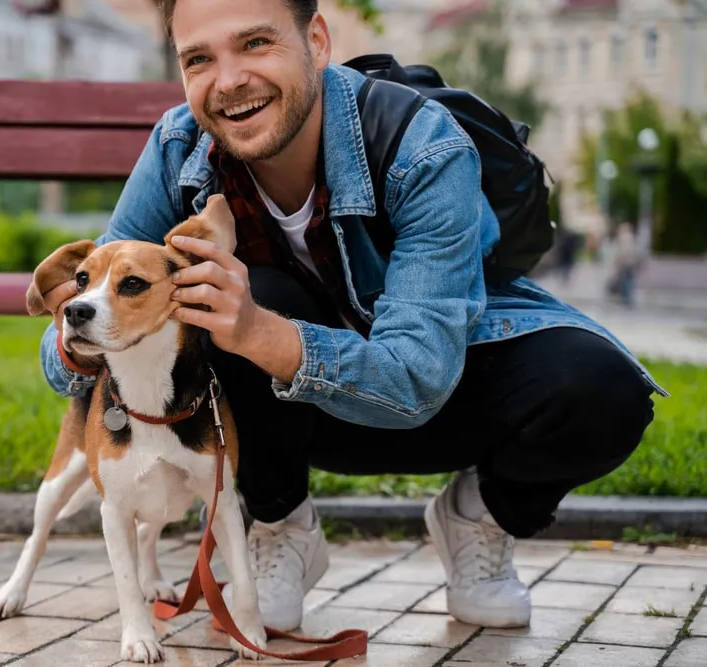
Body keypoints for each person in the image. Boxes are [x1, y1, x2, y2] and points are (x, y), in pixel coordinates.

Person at [36, 0, 665, 633]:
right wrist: (79, 339)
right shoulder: (179, 146)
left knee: (602, 391)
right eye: (199, 59)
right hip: (281, 420)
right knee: (238, 293)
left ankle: (480, 518)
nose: (227, 82)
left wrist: (257, 330)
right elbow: (69, 341)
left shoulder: (423, 144)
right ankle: (280, 525)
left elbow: (416, 380)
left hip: (443, 392)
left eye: (255, 44)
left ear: (316, 40)